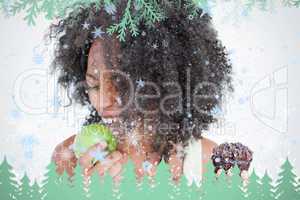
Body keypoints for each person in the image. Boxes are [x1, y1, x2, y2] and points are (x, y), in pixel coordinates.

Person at [49, 1, 235, 183]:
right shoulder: (70, 158)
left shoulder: (208, 162)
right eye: (94, 85)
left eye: (120, 83)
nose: (105, 101)